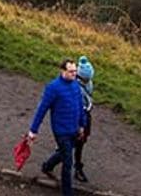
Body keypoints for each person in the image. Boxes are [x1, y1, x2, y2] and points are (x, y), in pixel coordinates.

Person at [25, 58, 86, 195]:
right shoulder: (53, 88)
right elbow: (42, 109)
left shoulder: (76, 85)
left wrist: (82, 125)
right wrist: (33, 130)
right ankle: (67, 193)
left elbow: (79, 106)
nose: (74, 74)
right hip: (61, 130)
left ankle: (47, 166)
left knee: (65, 153)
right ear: (62, 71)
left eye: (75, 71)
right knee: (68, 162)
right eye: (71, 72)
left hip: (74, 128)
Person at [73, 54, 95, 185]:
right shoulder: (76, 87)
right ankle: (49, 164)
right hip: (77, 119)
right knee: (69, 145)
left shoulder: (87, 83)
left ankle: (77, 168)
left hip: (85, 117)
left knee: (79, 144)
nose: (88, 81)